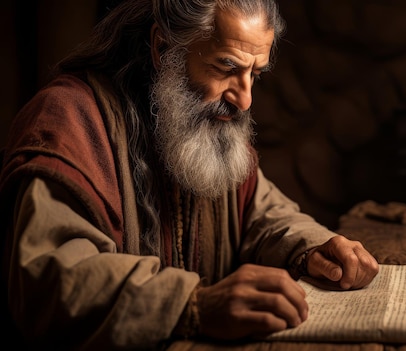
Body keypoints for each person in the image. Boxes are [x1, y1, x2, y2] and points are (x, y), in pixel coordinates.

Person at [0, 0, 379, 349]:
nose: (245, 99)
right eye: (227, 67)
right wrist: (193, 304)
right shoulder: (67, 119)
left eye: (254, 74)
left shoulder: (209, 128)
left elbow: (264, 214)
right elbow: (47, 282)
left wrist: (313, 248)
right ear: (164, 49)